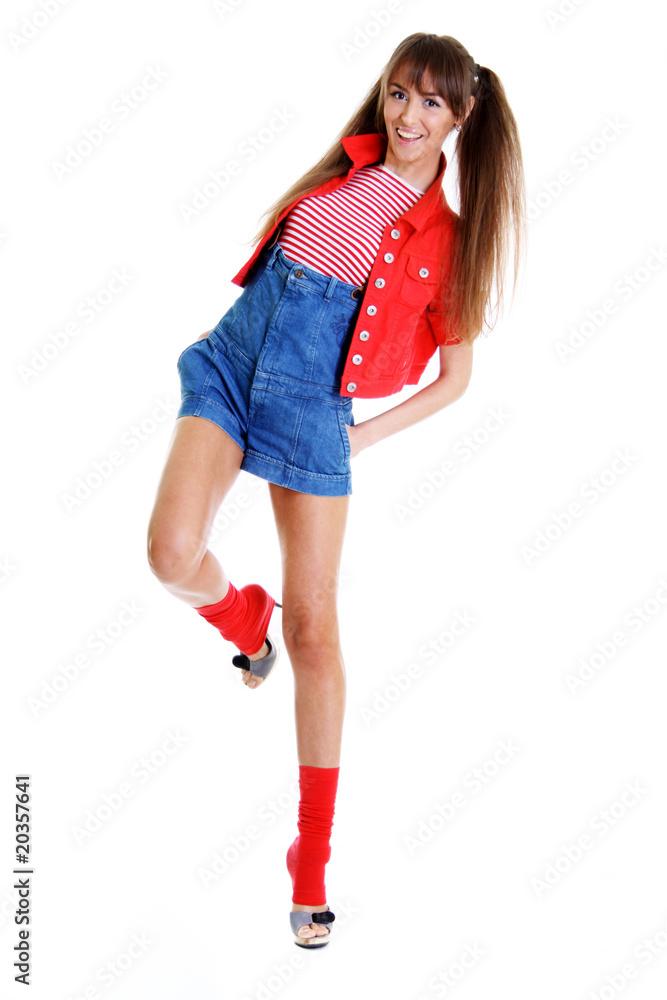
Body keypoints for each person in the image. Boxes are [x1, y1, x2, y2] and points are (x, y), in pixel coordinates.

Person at [146, 31, 525, 948]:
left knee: (314, 628)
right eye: (398, 93)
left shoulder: (449, 240)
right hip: (232, 365)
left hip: (315, 407)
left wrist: (359, 434)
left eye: (430, 102)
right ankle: (243, 620)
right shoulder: (343, 168)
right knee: (169, 554)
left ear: (461, 117)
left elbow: (456, 379)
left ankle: (309, 856)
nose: (407, 115)